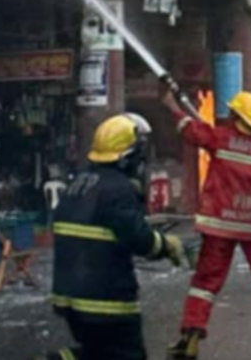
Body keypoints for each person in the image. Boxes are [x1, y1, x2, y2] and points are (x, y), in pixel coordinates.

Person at [163, 89, 251, 359]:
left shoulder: (222, 137)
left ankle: (190, 340)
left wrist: (173, 106)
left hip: (220, 224)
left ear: (237, 116)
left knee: (206, 281)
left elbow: (191, 131)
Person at [50, 114, 185, 360]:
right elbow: (140, 240)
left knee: (99, 355)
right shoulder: (119, 189)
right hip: (106, 303)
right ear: (127, 158)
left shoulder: (77, 184)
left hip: (70, 299)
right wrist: (168, 246)